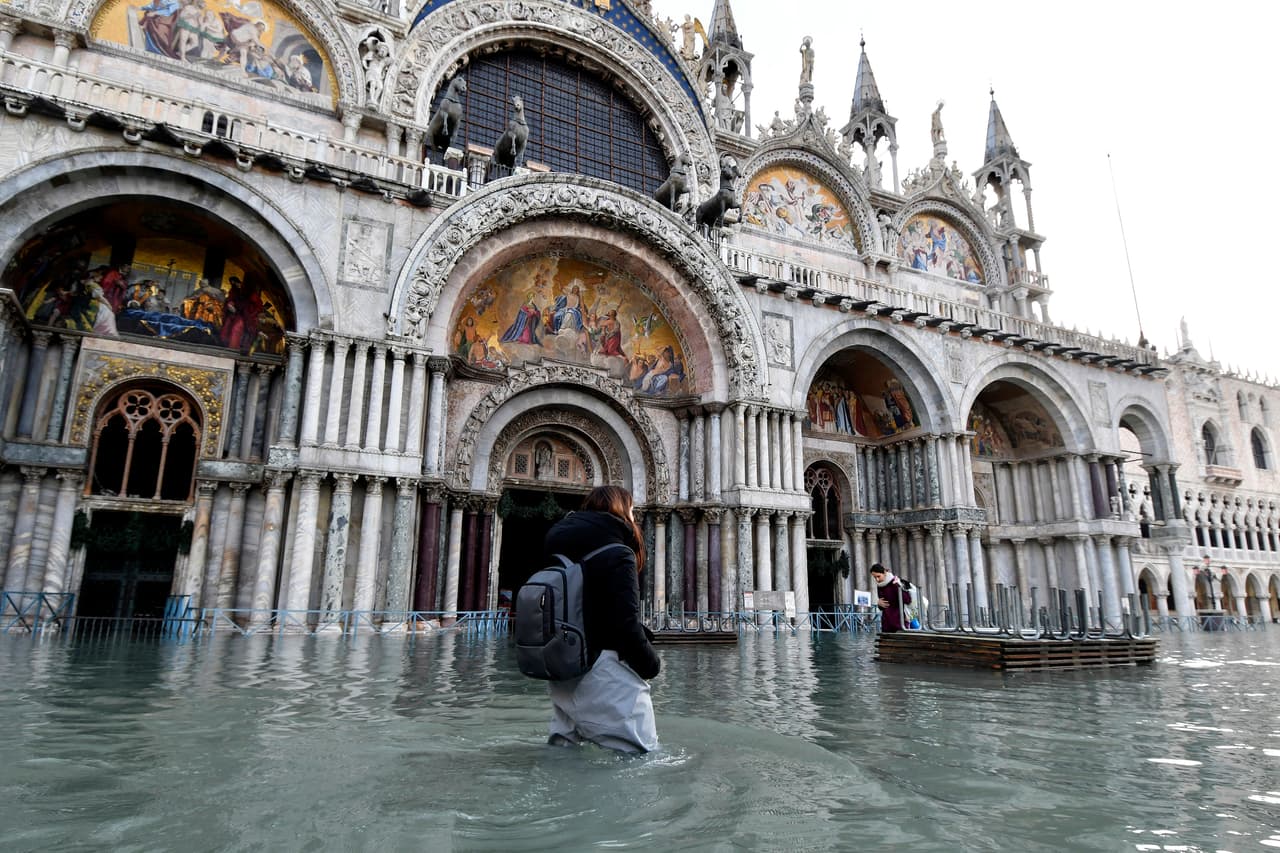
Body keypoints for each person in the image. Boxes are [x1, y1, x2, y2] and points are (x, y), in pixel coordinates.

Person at [541, 485, 660, 754]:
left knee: (562, 757)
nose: (633, 516)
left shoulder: (557, 544)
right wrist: (651, 664)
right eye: (631, 509)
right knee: (640, 760)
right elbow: (626, 624)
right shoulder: (619, 552)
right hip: (606, 670)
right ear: (621, 510)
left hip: (562, 670)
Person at [870, 563, 911, 633]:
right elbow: (884, 605)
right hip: (886, 625)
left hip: (900, 625)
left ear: (884, 573)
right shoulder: (880, 586)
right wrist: (879, 604)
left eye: (878, 576)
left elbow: (908, 600)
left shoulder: (896, 582)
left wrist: (899, 587)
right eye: (875, 577)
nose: (877, 580)